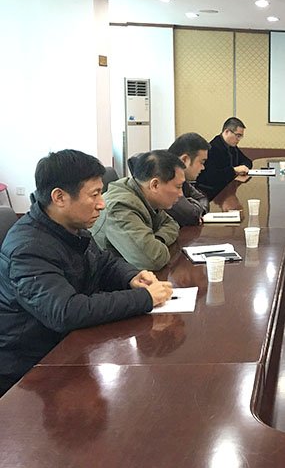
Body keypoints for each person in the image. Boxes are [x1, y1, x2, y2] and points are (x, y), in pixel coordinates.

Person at [0, 150, 172, 396]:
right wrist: (144, 298)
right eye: (94, 194)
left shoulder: (71, 228)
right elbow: (66, 312)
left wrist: (132, 277)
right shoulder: (27, 249)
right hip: (29, 371)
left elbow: (104, 263)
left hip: (68, 348)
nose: (102, 203)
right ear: (59, 197)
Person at [91, 150, 185, 271]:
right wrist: (154, 244)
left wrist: (158, 239)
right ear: (155, 185)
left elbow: (171, 224)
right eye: (178, 187)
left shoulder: (144, 196)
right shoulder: (120, 206)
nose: (181, 194)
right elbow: (152, 260)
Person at [196, 117, 252, 200]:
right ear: (226, 132)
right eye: (237, 136)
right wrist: (234, 170)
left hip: (228, 190)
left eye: (241, 136)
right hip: (213, 194)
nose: (239, 139)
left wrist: (243, 168)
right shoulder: (212, 148)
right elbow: (211, 177)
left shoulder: (232, 147)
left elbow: (247, 161)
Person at [166, 132, 210, 226]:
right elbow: (191, 216)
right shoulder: (166, 179)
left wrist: (192, 204)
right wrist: (193, 204)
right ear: (184, 160)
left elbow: (202, 198)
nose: (203, 168)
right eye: (201, 162)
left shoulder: (182, 180)